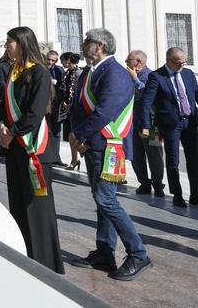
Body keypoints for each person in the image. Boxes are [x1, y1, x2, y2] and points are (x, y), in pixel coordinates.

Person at [69, 27, 151, 281]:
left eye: (88, 41)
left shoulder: (114, 72)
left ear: (100, 46)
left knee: (106, 200)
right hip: (93, 145)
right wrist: (78, 135)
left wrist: (80, 135)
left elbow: (105, 110)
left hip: (107, 146)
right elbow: (78, 106)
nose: (83, 43)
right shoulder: (90, 71)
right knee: (101, 200)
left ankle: (138, 253)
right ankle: (105, 250)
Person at [0, 27, 63, 273]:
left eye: (10, 42)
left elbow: (35, 112)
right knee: (19, 203)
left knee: (37, 207)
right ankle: (25, 254)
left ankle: (45, 262)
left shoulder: (39, 72)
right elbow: (4, 105)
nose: (6, 46)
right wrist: (2, 125)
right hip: (14, 147)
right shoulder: (13, 72)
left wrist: (12, 132)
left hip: (34, 147)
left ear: (22, 43)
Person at [140, 47, 197, 208]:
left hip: (190, 122)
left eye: (184, 62)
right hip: (171, 125)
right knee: (173, 161)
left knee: (194, 159)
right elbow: (146, 102)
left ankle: (195, 194)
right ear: (168, 61)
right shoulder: (156, 76)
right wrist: (145, 126)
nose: (182, 65)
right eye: (178, 63)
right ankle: (177, 195)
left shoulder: (188, 74)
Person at [125, 50, 163, 195]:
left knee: (155, 155)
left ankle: (158, 185)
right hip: (133, 123)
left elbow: (148, 97)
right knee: (136, 155)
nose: (126, 62)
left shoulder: (152, 76)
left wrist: (135, 79)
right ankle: (144, 183)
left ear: (138, 62)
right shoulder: (127, 77)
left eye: (128, 60)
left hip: (152, 125)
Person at [59, 52, 86, 170]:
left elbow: (80, 91)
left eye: (63, 60)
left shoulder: (79, 73)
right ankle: (74, 160)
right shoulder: (66, 73)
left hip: (77, 108)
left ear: (68, 60)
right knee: (70, 135)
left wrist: (72, 104)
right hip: (68, 109)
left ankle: (76, 159)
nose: (62, 63)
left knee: (73, 135)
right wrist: (63, 102)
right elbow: (64, 89)